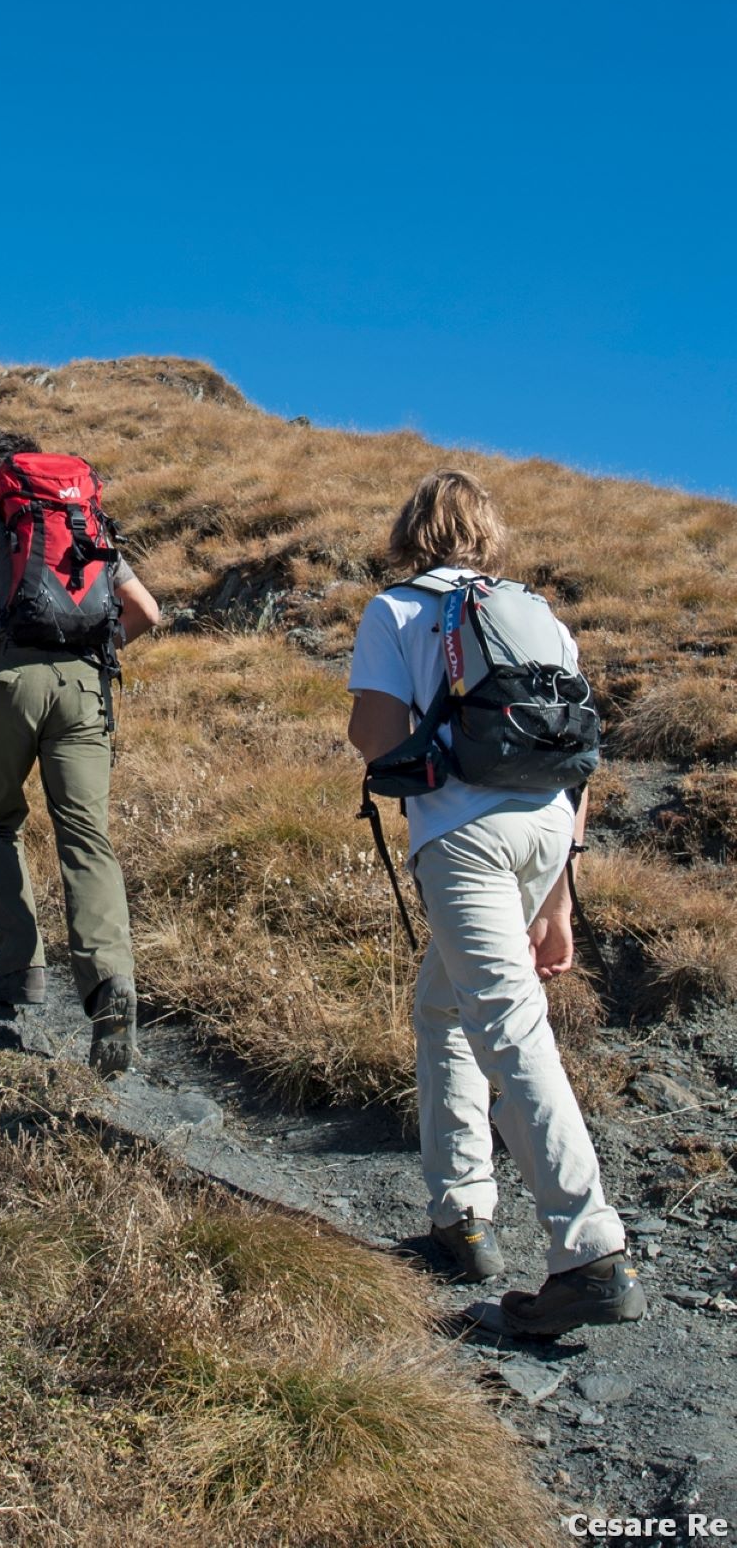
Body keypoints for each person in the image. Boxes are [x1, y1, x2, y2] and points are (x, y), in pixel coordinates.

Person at [347, 469, 646, 1335]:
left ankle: (589, 1252)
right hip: (546, 829)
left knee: (508, 1027)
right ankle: (461, 1213)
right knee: (444, 1007)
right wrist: (559, 896)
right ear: (486, 533)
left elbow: (375, 737)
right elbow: (578, 754)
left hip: (463, 837)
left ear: (411, 531)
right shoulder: (538, 614)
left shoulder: (396, 609)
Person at [0, 430, 160, 1074]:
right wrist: (94, 655)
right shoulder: (81, 519)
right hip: (85, 688)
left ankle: (20, 969)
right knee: (87, 836)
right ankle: (109, 983)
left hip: (6, 684)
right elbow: (146, 610)